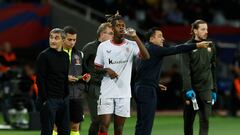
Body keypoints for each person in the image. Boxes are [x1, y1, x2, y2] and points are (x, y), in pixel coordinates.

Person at [133, 27, 211, 135]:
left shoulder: (144, 49)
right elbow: (176, 49)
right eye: (160, 36)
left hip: (140, 87)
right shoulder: (155, 49)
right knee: (147, 122)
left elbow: (141, 69)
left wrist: (154, 82)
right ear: (151, 39)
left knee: (141, 121)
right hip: (146, 89)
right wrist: (197, 45)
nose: (163, 39)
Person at [94, 11, 150, 135]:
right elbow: (96, 67)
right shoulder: (103, 46)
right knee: (104, 126)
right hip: (107, 91)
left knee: (118, 129)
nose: (121, 27)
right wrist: (107, 70)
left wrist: (135, 37)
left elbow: (146, 56)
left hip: (123, 93)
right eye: (118, 25)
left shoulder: (131, 44)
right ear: (112, 28)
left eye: (123, 25)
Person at [180, 19, 217, 135]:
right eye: (203, 29)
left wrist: (214, 89)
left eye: (207, 29)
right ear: (195, 31)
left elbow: (213, 68)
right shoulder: (187, 47)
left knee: (205, 121)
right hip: (191, 90)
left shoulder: (211, 45)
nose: (206, 32)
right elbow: (185, 70)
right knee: (188, 122)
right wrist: (188, 88)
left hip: (206, 89)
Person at [36, 28, 70, 135]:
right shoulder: (44, 56)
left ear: (63, 40)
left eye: (56, 38)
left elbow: (64, 77)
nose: (53, 41)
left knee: (65, 131)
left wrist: (66, 95)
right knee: (47, 131)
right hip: (49, 100)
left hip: (63, 99)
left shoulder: (65, 56)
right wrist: (45, 99)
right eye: (51, 37)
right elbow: (40, 79)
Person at [82, 22, 113, 135]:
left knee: (105, 121)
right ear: (101, 34)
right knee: (97, 119)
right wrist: (85, 80)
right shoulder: (90, 48)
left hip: (108, 87)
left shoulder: (112, 49)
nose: (112, 36)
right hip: (94, 87)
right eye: (110, 33)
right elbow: (81, 65)